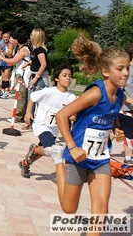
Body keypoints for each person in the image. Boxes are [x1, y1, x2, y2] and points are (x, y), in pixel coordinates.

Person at [53, 34, 128, 228]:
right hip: (77, 156)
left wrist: (117, 129)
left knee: (101, 210)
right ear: (105, 71)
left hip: (100, 159)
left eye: (128, 67)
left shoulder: (120, 96)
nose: (126, 73)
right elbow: (62, 115)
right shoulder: (95, 93)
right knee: (69, 209)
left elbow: (112, 115)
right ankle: (57, 161)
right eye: (120, 69)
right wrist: (72, 147)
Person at [19, 63, 76, 178]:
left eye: (70, 76)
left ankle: (26, 162)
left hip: (54, 129)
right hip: (42, 125)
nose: (68, 78)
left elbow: (73, 117)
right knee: (51, 150)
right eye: (64, 75)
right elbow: (32, 97)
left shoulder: (71, 97)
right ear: (56, 78)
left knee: (44, 151)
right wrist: (28, 112)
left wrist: (68, 115)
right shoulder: (49, 91)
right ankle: (62, 177)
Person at [0, 31, 31, 124]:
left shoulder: (24, 49)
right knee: (21, 95)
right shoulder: (20, 48)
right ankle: (21, 115)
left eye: (14, 39)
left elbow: (13, 61)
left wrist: (2, 59)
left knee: (21, 96)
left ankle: (18, 116)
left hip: (23, 75)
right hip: (20, 73)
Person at [118, 43, 133, 165]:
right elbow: (118, 86)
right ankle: (128, 157)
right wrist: (127, 99)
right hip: (125, 107)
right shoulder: (126, 70)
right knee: (128, 132)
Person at [0, 32, 15, 99]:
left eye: (7, 37)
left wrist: (2, 52)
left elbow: (10, 54)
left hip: (8, 62)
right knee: (2, 78)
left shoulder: (10, 45)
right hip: (2, 62)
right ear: (2, 38)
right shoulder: (2, 44)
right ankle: (3, 91)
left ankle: (6, 92)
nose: (6, 38)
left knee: (6, 78)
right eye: (4, 37)